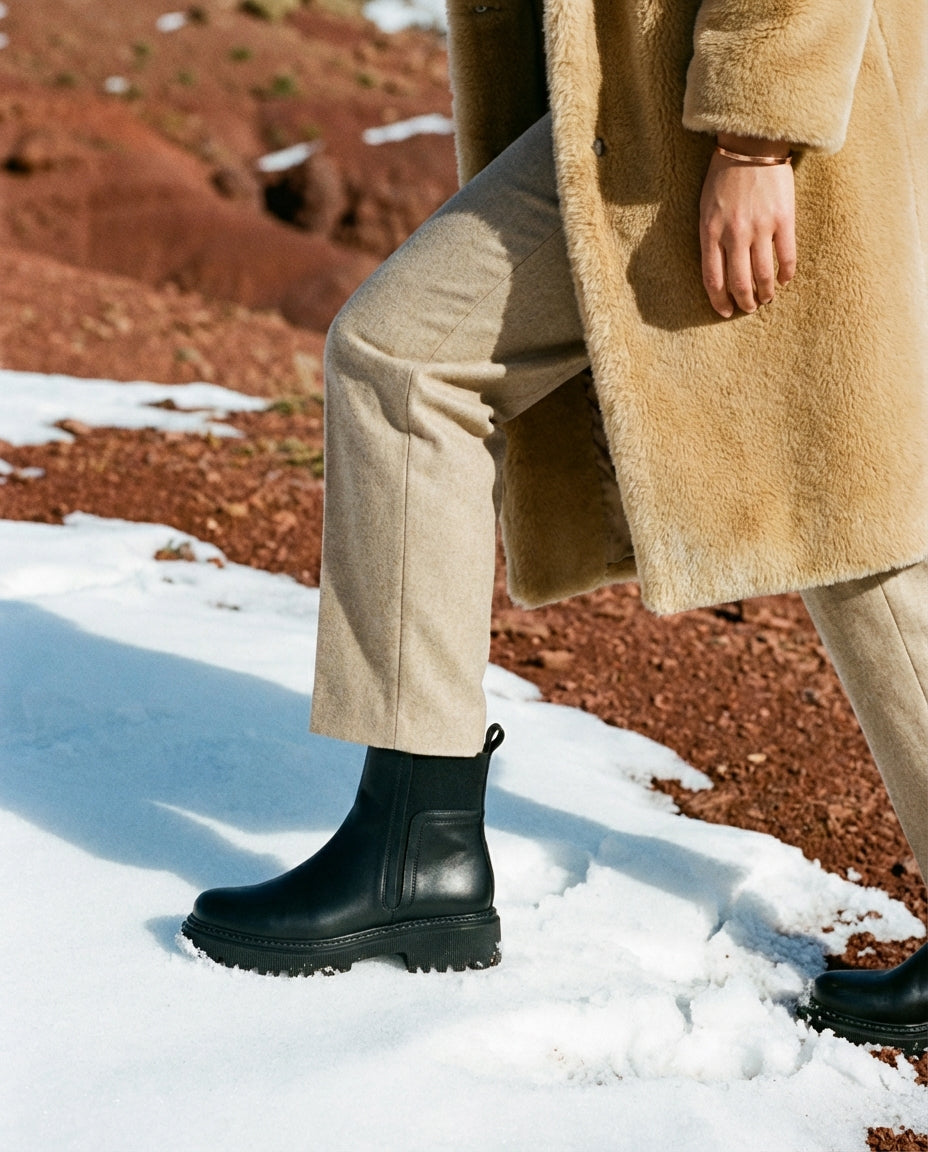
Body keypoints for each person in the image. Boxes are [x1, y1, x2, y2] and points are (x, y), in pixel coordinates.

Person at [183, 1, 928, 1054]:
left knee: (407, 362)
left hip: (713, 89)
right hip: (674, 79)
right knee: (837, 483)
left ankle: (417, 848)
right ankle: (417, 845)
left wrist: (758, 130)